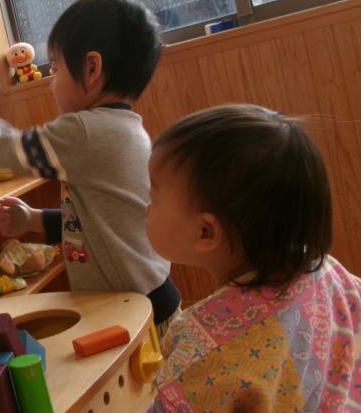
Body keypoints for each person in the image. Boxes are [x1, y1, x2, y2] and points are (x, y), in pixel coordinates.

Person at [0, 0, 181, 335]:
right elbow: (99, 224)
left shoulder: (84, 131)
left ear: (91, 68)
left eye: (57, 69)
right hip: (145, 303)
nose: (51, 83)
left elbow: (5, 149)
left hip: (136, 315)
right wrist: (34, 219)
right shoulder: (124, 128)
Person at [145, 104, 361, 412]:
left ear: (206, 232)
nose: (147, 208)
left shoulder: (204, 342)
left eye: (153, 197)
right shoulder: (324, 268)